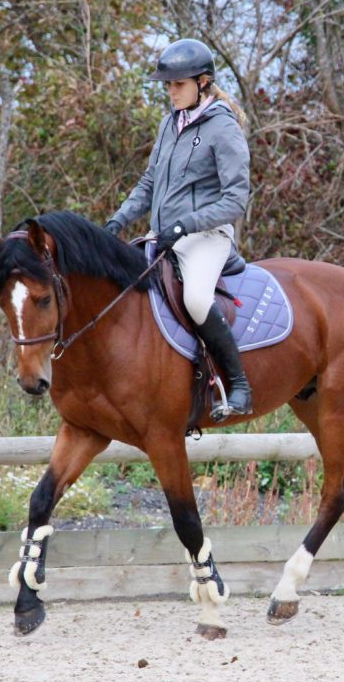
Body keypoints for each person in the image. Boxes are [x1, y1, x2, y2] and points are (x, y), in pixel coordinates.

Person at [104, 38, 252, 422]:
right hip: (165, 237)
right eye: (167, 85)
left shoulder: (223, 127)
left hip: (206, 237)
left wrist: (186, 224)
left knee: (197, 300)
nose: (171, 92)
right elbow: (149, 183)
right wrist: (118, 219)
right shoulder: (169, 123)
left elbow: (235, 200)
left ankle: (239, 386)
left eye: (178, 85)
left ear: (202, 82)